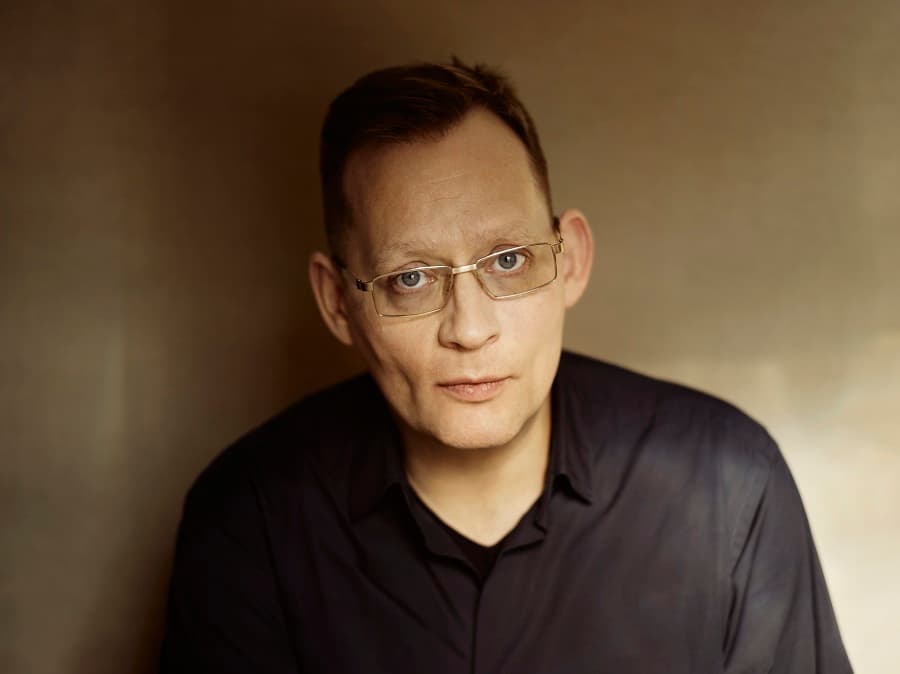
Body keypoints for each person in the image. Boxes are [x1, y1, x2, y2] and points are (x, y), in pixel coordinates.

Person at [159, 59, 852, 673]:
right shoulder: (250, 518)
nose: (470, 328)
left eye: (509, 260)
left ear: (570, 261)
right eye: (410, 279)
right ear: (339, 303)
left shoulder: (728, 485)